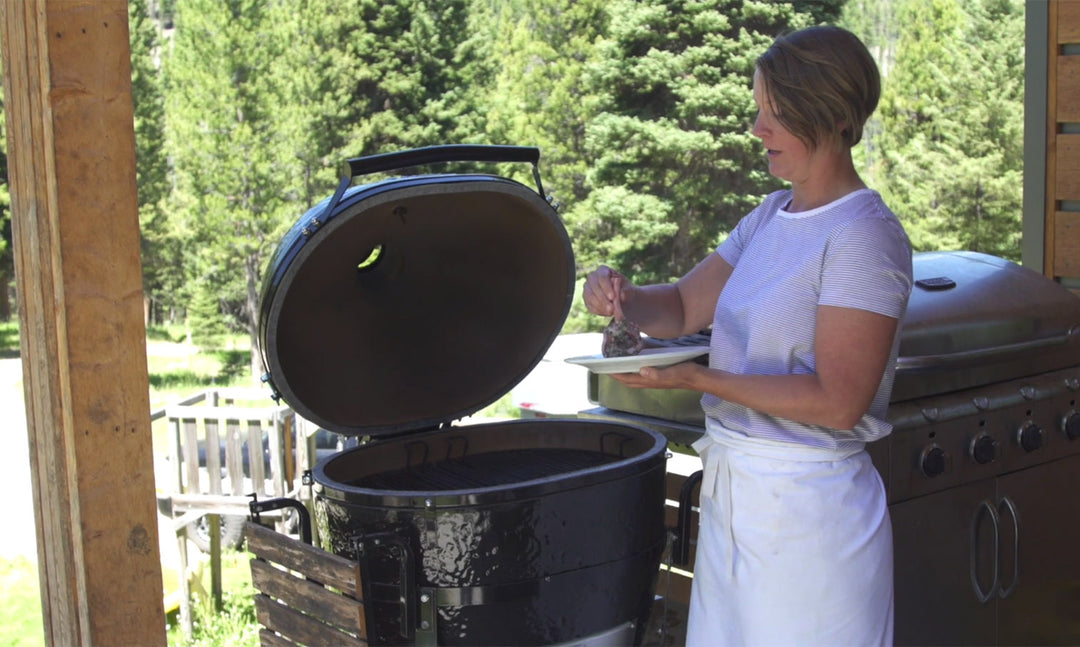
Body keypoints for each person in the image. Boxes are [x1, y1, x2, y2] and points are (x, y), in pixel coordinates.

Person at [583, 26, 912, 646]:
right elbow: (680, 306)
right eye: (759, 109)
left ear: (833, 115)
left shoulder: (864, 235)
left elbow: (839, 402)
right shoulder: (769, 216)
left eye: (777, 114)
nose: (758, 128)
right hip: (740, 504)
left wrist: (696, 378)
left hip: (810, 519)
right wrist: (618, 296)